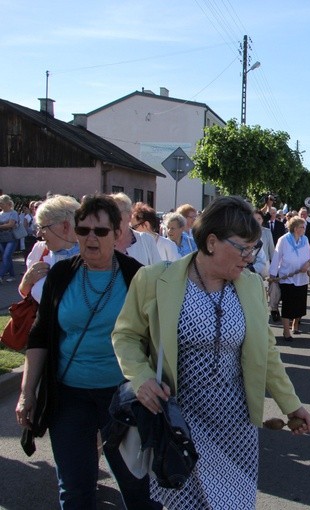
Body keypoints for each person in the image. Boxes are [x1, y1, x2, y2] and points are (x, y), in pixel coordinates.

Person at [112, 195, 310, 509]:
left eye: (254, 248)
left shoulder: (250, 286)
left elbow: (267, 352)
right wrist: (141, 378)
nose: (250, 257)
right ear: (211, 242)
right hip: (180, 424)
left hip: (236, 425)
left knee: (233, 504)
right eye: (243, 248)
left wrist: (291, 405)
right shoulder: (154, 280)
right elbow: (125, 336)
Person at [16, 194, 158, 509]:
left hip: (122, 398)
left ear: (118, 233)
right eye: (83, 231)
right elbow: (40, 335)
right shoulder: (61, 274)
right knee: (75, 492)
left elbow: (156, 338)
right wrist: (28, 392)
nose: (90, 238)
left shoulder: (136, 276)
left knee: (137, 493)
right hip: (69, 396)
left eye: (100, 232)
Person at [19, 195, 81, 303]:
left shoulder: (92, 256)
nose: (38, 234)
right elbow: (26, 295)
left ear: (65, 226)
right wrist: (26, 282)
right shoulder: (40, 250)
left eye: (43, 227)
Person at [269, 217, 310, 341]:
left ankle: (295, 325)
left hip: (302, 278)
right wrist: (272, 276)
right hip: (287, 278)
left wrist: (308, 264)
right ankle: (286, 331)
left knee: (300, 304)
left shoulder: (305, 240)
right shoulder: (283, 240)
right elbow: (277, 257)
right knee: (288, 305)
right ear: (295, 229)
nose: (304, 229)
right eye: (302, 227)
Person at [111, 193, 161, 266]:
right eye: (108, 213)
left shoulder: (146, 240)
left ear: (129, 216)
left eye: (116, 213)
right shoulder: (101, 242)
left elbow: (158, 271)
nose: (112, 217)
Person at [0, 194, 21, 282]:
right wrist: (5, 225)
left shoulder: (13, 213)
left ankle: (0, 275)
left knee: (6, 256)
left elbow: (11, 224)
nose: (0, 205)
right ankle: (12, 275)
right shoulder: (0, 214)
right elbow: (7, 225)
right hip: (2, 238)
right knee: (7, 257)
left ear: (7, 203)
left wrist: (2, 225)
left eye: (1, 203)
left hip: (12, 238)